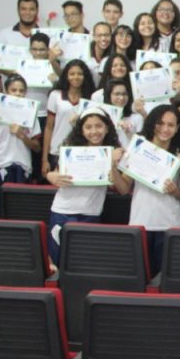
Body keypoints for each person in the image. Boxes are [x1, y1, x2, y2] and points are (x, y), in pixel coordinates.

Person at [45, 109, 130, 263]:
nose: (94, 131)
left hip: (91, 214)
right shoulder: (71, 151)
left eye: (99, 126)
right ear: (81, 131)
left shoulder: (114, 153)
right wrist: (51, 176)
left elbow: (124, 190)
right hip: (62, 211)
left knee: (83, 262)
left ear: (107, 128)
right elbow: (55, 174)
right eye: (88, 127)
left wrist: (111, 165)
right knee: (57, 260)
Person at [126, 104, 180, 276]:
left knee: (167, 278)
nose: (165, 129)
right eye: (160, 123)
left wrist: (174, 191)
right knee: (141, 277)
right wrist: (113, 165)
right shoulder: (138, 148)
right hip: (141, 222)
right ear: (152, 123)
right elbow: (124, 188)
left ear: (177, 128)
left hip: (170, 223)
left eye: (170, 125)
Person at [0, 73, 41, 203]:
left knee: (19, 209)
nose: (18, 93)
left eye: (21, 91)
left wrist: (22, 135)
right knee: (2, 209)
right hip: (1, 166)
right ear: (6, 91)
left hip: (23, 168)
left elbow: (37, 147)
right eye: (14, 90)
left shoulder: (32, 116)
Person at [43, 59, 95, 172]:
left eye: (80, 74)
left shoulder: (91, 99)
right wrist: (44, 159)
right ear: (66, 76)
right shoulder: (55, 95)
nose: (76, 77)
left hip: (82, 152)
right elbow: (48, 127)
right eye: (72, 74)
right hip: (57, 151)